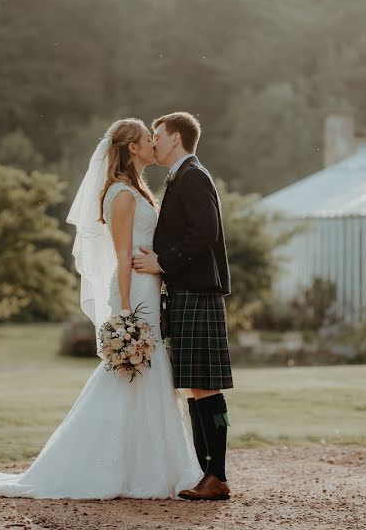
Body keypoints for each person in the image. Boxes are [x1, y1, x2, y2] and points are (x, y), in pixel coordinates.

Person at [0, 118, 201, 499]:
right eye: (147, 140)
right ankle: (118, 468)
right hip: (134, 294)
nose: (155, 144)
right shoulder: (122, 194)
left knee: (145, 376)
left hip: (147, 289)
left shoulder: (136, 189)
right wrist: (124, 311)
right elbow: (122, 256)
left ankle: (151, 467)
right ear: (132, 149)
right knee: (132, 374)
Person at [132, 111, 233, 501]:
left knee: (205, 386)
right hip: (188, 293)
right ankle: (209, 472)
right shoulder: (185, 175)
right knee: (196, 385)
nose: (153, 141)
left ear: (175, 138)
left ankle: (217, 474)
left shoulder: (192, 175)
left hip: (197, 292)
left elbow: (205, 232)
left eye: (157, 135)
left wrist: (163, 262)